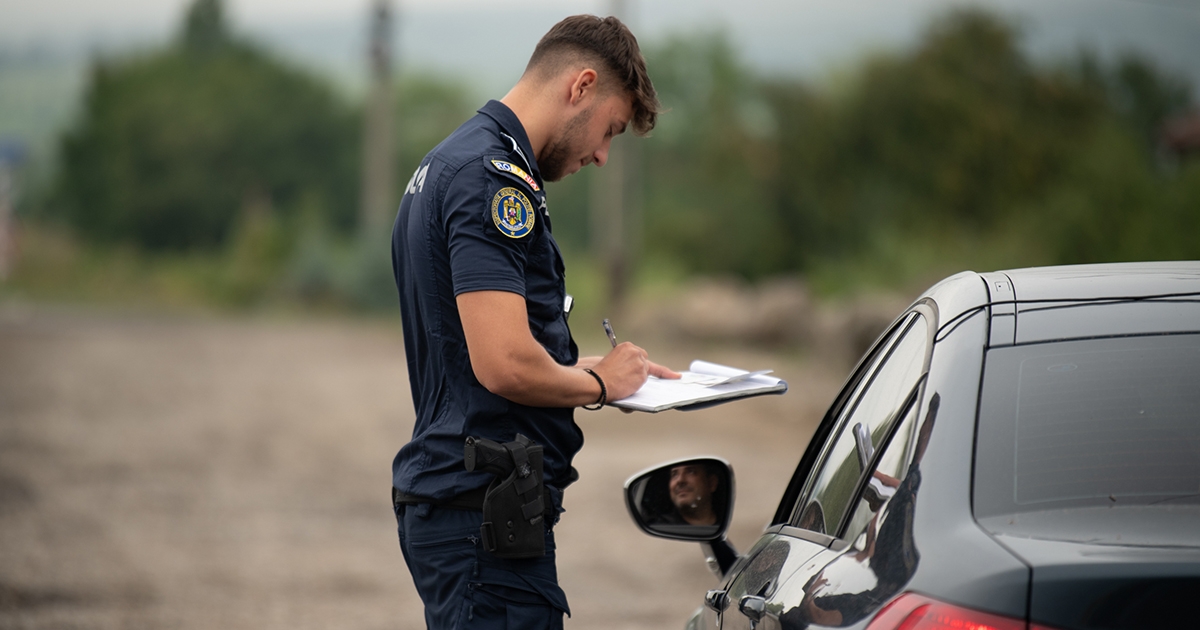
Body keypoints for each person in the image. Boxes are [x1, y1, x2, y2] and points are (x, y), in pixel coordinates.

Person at [389, 14, 677, 629]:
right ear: (580, 86)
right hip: (482, 520)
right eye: (610, 130)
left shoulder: (449, 162)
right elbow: (503, 363)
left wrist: (598, 367)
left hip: (470, 509)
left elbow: (477, 353)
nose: (602, 155)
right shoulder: (490, 181)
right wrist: (601, 388)